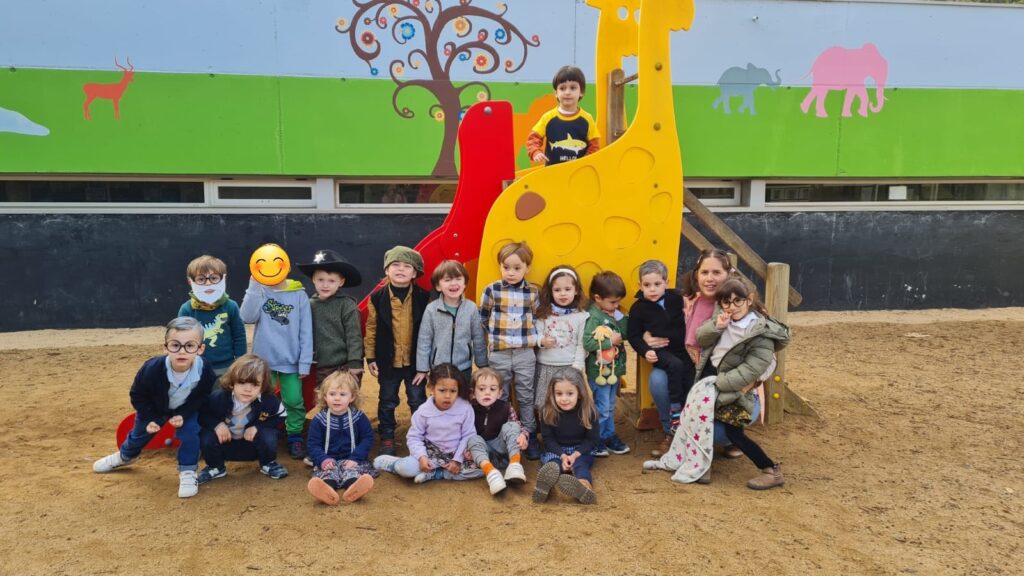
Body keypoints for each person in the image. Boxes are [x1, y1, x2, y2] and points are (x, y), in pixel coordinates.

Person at [644, 278, 789, 489]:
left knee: (733, 433)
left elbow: (752, 368)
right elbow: (702, 338)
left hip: (731, 388)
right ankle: (701, 464)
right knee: (696, 421)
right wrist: (717, 326)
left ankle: (771, 469)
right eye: (726, 302)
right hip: (712, 381)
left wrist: (721, 384)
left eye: (738, 301)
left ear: (749, 300)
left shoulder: (759, 331)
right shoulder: (723, 317)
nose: (732, 307)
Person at [93, 317, 217, 498]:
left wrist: (184, 414)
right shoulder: (151, 369)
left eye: (190, 346)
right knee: (139, 434)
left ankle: (188, 471)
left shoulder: (204, 369)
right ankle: (125, 456)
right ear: (165, 347)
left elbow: (202, 395)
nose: (182, 351)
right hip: (155, 409)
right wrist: (150, 417)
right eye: (175, 345)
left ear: (200, 349)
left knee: (191, 434)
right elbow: (137, 394)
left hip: (185, 409)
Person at [646, 248, 740, 456]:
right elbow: (654, 318)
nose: (710, 278)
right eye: (705, 272)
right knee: (659, 378)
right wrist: (645, 335)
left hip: (727, 380)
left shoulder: (738, 304)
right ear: (696, 275)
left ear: (728, 274)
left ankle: (729, 439)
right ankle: (672, 431)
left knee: (716, 434)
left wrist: (748, 381)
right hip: (692, 373)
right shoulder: (688, 301)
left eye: (716, 272)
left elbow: (766, 355)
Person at [239, 253, 313, 460]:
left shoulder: (299, 294)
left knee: (294, 400)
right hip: (263, 363)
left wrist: (304, 362)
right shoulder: (260, 291)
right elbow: (247, 317)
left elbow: (306, 331)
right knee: (261, 400)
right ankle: (263, 432)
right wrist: (254, 285)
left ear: (285, 267)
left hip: (291, 362)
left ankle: (294, 436)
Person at [364, 245, 430, 456]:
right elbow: (371, 328)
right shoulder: (377, 298)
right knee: (387, 400)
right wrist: (371, 356)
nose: (401, 269)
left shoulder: (424, 297)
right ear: (386, 270)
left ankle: (421, 437)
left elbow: (429, 330)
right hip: (388, 361)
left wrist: (426, 362)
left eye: (407, 266)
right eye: (395, 265)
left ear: (415, 273)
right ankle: (387, 437)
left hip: (415, 363)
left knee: (417, 400)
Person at [479, 241, 541, 458]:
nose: (511, 273)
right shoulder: (492, 290)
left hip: (525, 353)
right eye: (506, 267)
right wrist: (497, 338)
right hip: (500, 353)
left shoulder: (533, 292)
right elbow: (483, 318)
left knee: (526, 395)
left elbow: (536, 318)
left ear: (527, 268)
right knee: (500, 395)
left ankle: (529, 436)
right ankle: (503, 436)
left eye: (517, 268)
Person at [373, 364, 483, 484]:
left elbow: (468, 435)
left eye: (453, 391)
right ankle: (393, 464)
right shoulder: (423, 411)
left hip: (456, 454)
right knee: (406, 469)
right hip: (430, 454)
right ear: (432, 388)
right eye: (442, 390)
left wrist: (457, 460)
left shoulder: (465, 408)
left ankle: (437, 474)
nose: (447, 396)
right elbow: (414, 437)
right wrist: (422, 457)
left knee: (481, 469)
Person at [196, 354, 289, 485]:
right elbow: (203, 414)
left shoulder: (269, 401)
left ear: (262, 386)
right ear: (232, 383)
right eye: (242, 382)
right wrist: (217, 425)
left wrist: (258, 427)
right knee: (206, 436)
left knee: (268, 434)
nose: (248, 389)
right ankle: (215, 467)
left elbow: (282, 415)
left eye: (255, 384)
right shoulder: (218, 398)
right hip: (225, 443)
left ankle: (268, 463)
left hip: (252, 446)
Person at [626, 260, 691, 441]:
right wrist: (645, 350)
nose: (652, 289)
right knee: (675, 366)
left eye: (657, 284)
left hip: (683, 349)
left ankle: (688, 421)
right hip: (661, 351)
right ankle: (674, 410)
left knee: (688, 375)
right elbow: (633, 336)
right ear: (640, 285)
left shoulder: (677, 299)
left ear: (666, 283)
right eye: (647, 285)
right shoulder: (638, 308)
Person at [533, 265, 589, 454]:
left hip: (568, 368)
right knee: (545, 404)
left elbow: (581, 344)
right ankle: (548, 440)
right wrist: (541, 341)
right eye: (557, 290)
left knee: (568, 403)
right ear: (550, 292)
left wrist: (577, 367)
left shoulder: (581, 316)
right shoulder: (543, 314)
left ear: (576, 290)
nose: (563, 294)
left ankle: (566, 438)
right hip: (546, 366)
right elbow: (537, 335)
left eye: (567, 289)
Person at [306, 371, 378, 505]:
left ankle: (354, 489)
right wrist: (323, 460)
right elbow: (313, 444)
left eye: (342, 394)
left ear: (352, 397)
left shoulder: (359, 417)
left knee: (352, 473)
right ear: (325, 396)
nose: (337, 398)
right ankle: (327, 491)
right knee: (328, 475)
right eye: (332, 394)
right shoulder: (319, 420)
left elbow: (367, 439)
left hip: (352, 461)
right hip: (329, 462)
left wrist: (355, 458)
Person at [296, 249, 364, 386]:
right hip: (322, 367)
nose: (325, 285)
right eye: (320, 279)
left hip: (346, 366)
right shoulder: (308, 305)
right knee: (325, 396)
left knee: (346, 396)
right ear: (313, 279)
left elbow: (354, 336)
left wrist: (355, 362)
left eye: (331, 281)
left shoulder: (347, 305)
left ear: (341, 282)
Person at [414, 259, 488, 385]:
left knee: (463, 395)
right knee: (442, 396)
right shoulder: (431, 309)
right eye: (447, 280)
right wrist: (422, 369)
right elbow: (424, 340)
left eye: (458, 279)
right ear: (438, 286)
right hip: (438, 368)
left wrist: (483, 365)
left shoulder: (471, 308)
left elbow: (478, 338)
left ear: (465, 283)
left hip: (464, 368)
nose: (453, 283)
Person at [534, 368, 599, 505]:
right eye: (559, 393)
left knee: (581, 465)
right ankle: (545, 487)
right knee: (553, 465)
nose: (564, 399)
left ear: (579, 393)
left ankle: (584, 487)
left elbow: (591, 440)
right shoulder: (547, 411)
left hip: (580, 450)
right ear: (552, 393)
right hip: (557, 450)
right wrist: (563, 456)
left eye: (570, 393)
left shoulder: (589, 411)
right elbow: (548, 440)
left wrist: (575, 455)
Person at [582, 271, 630, 456]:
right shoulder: (593, 317)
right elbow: (587, 342)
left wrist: (619, 316)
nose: (616, 305)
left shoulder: (612, 313)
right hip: (599, 372)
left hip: (612, 370)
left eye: (618, 302)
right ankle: (596, 440)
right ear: (598, 298)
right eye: (613, 302)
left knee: (609, 406)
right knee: (602, 408)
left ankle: (608, 436)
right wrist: (611, 342)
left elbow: (624, 333)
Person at [177, 255, 246, 378]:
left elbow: (239, 335)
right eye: (201, 279)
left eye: (214, 278)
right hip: (197, 366)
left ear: (223, 279)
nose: (208, 283)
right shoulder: (187, 309)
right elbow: (181, 338)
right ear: (191, 282)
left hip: (227, 366)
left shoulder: (231, 306)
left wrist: (241, 360)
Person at [465, 367, 529, 495]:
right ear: (473, 393)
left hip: (503, 452)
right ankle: (491, 474)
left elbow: (519, 426)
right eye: (481, 389)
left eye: (492, 389)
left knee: (512, 426)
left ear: (499, 393)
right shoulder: (468, 409)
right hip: (483, 455)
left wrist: (523, 436)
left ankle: (514, 465)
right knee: (473, 439)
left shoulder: (505, 407)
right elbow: (462, 433)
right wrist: (465, 449)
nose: (487, 393)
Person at [526, 65, 601, 166]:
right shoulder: (548, 117)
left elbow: (594, 146)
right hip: (553, 171)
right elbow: (533, 138)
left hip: (578, 172)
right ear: (556, 93)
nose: (567, 92)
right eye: (562, 88)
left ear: (581, 92)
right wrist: (535, 152)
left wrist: (585, 163)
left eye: (573, 88)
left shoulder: (587, 119)